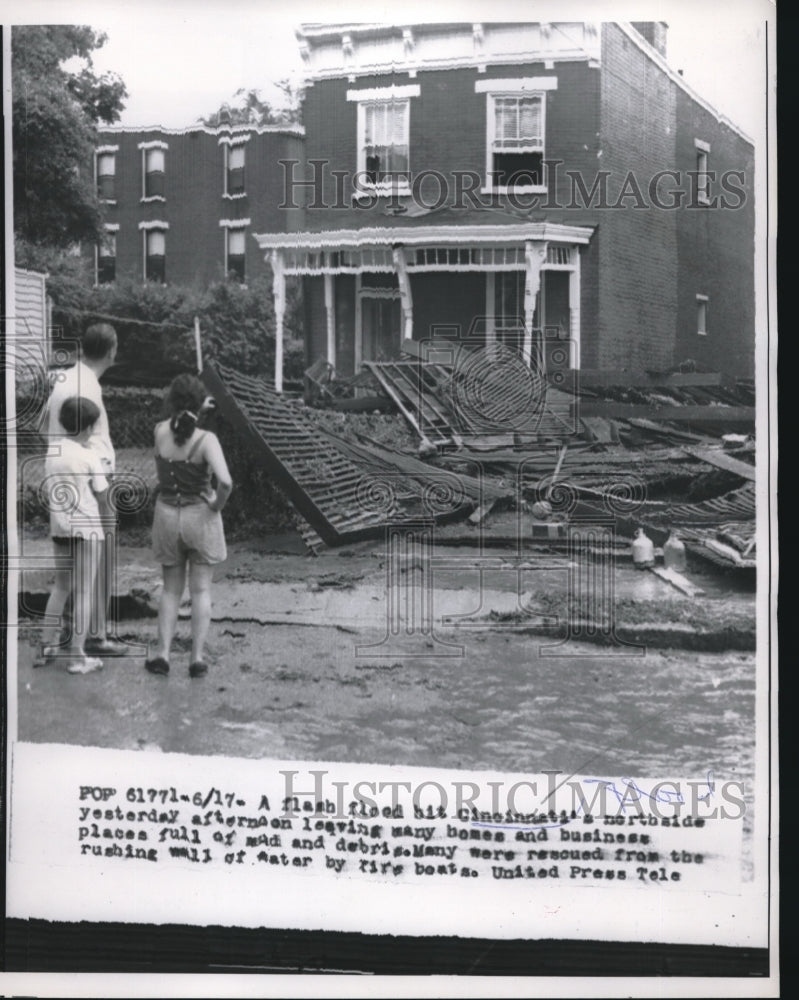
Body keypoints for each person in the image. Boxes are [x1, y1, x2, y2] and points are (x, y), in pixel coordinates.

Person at [45, 322, 125, 656]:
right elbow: (91, 441)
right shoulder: (89, 388)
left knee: (67, 573)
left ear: (81, 349)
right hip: (91, 484)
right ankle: (94, 636)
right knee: (97, 562)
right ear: (112, 351)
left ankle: (61, 634)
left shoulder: (65, 378)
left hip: (62, 478)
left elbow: (41, 425)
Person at [145, 374, 233, 678]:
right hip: (199, 516)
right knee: (200, 590)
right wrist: (216, 505)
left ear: (171, 401)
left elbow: (177, 427)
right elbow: (225, 482)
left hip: (167, 515)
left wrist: (197, 409)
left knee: (170, 591)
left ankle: (163, 654)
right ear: (199, 404)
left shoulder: (159, 432)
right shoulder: (206, 440)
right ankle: (196, 659)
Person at [42, 397, 112, 674]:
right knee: (84, 591)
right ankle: (77, 657)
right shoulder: (89, 455)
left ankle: (47, 645)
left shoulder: (53, 450)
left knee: (61, 586)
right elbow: (103, 494)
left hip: (60, 527)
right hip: (87, 527)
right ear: (88, 427)